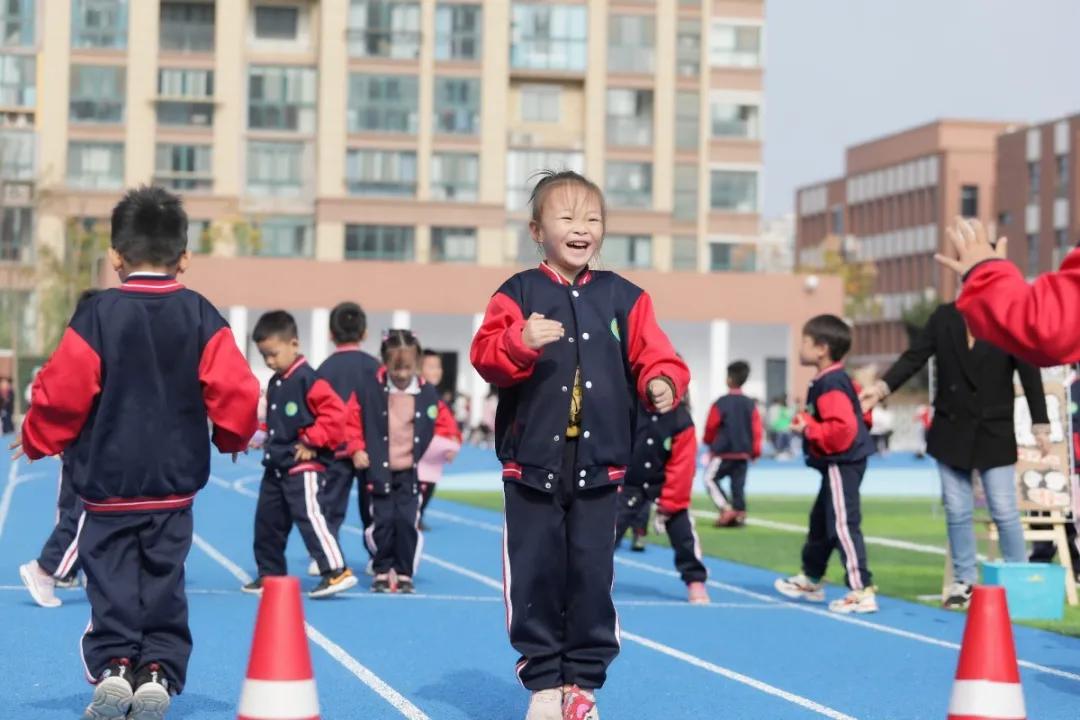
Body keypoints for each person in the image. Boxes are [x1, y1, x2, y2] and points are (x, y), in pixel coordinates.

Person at [13, 186, 259, 720]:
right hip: (173, 485)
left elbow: (63, 390)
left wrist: (38, 437)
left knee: (112, 579)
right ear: (185, 258)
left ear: (116, 258)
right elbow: (236, 389)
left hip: (108, 483)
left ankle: (116, 665)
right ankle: (158, 672)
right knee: (165, 577)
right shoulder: (200, 314)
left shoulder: (99, 314)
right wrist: (233, 436)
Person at [471, 169, 689, 720]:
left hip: (601, 466)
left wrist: (661, 381)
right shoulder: (517, 293)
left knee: (592, 577)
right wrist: (519, 341)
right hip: (531, 464)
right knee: (535, 575)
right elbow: (485, 355)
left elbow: (655, 355)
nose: (581, 229)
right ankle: (544, 682)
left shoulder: (624, 297)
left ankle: (583, 684)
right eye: (566, 218)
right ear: (536, 229)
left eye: (593, 219)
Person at [859, 297, 1050, 610]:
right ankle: (964, 581)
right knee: (958, 511)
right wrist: (881, 389)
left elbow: (1029, 372)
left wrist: (1041, 424)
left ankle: (1018, 577)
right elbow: (914, 357)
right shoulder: (944, 317)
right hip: (951, 429)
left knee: (1004, 510)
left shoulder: (1009, 313)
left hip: (995, 430)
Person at [244, 310, 357, 599]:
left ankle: (336, 570)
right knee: (267, 522)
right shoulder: (276, 382)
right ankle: (270, 573)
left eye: (273, 354)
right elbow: (274, 420)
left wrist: (311, 440)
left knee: (311, 517)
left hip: (302, 467)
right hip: (276, 464)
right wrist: (260, 437)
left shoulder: (308, 379)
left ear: (294, 344)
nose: (269, 361)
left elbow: (335, 414)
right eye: (264, 356)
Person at [774, 315, 878, 614]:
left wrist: (808, 428)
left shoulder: (831, 382)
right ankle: (812, 576)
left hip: (841, 462)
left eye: (805, 341)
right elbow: (861, 416)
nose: (800, 347)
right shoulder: (832, 379)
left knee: (843, 524)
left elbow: (843, 429)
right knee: (821, 520)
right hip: (836, 462)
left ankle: (861, 588)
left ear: (821, 348)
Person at [358, 329, 459, 594]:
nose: (402, 376)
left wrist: (451, 442)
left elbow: (445, 420)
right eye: (396, 369)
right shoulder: (371, 390)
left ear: (417, 364)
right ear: (385, 363)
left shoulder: (426, 393)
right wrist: (357, 448)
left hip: (410, 472)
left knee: (405, 522)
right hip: (380, 470)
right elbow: (352, 421)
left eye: (408, 369)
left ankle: (403, 571)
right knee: (382, 522)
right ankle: (381, 568)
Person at [18, 289, 102, 608]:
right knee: (89, 508)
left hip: (79, 443)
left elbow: (47, 391)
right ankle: (49, 568)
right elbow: (50, 391)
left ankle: (65, 567)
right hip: (89, 444)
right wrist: (39, 432)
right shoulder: (85, 349)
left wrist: (39, 431)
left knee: (74, 505)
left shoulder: (77, 346)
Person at [616, 396, 709, 603]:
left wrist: (670, 502)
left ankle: (695, 580)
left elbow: (683, 466)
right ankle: (589, 581)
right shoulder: (629, 408)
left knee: (683, 534)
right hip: (630, 484)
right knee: (605, 533)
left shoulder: (680, 419)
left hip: (664, 483)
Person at [316, 302, 379, 574]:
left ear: (331, 334)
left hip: (333, 450)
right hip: (369, 449)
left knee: (330, 506)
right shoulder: (375, 367)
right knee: (373, 508)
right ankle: (378, 557)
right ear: (364, 334)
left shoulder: (324, 369)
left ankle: (324, 557)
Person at [702, 360, 762, 527]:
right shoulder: (751, 404)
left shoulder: (720, 403)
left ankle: (725, 508)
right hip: (743, 452)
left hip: (724, 452)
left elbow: (711, 426)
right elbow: (757, 429)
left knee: (709, 479)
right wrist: (755, 452)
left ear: (729, 379)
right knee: (738, 485)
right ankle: (740, 513)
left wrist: (708, 442)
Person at [417, 349, 461, 526]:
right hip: (422, 452)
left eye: (439, 367)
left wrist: (454, 440)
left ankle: (417, 515)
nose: (437, 371)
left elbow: (448, 423)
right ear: (419, 369)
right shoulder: (420, 396)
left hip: (434, 455)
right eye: (432, 367)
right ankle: (413, 516)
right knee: (419, 487)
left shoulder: (437, 396)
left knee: (429, 486)